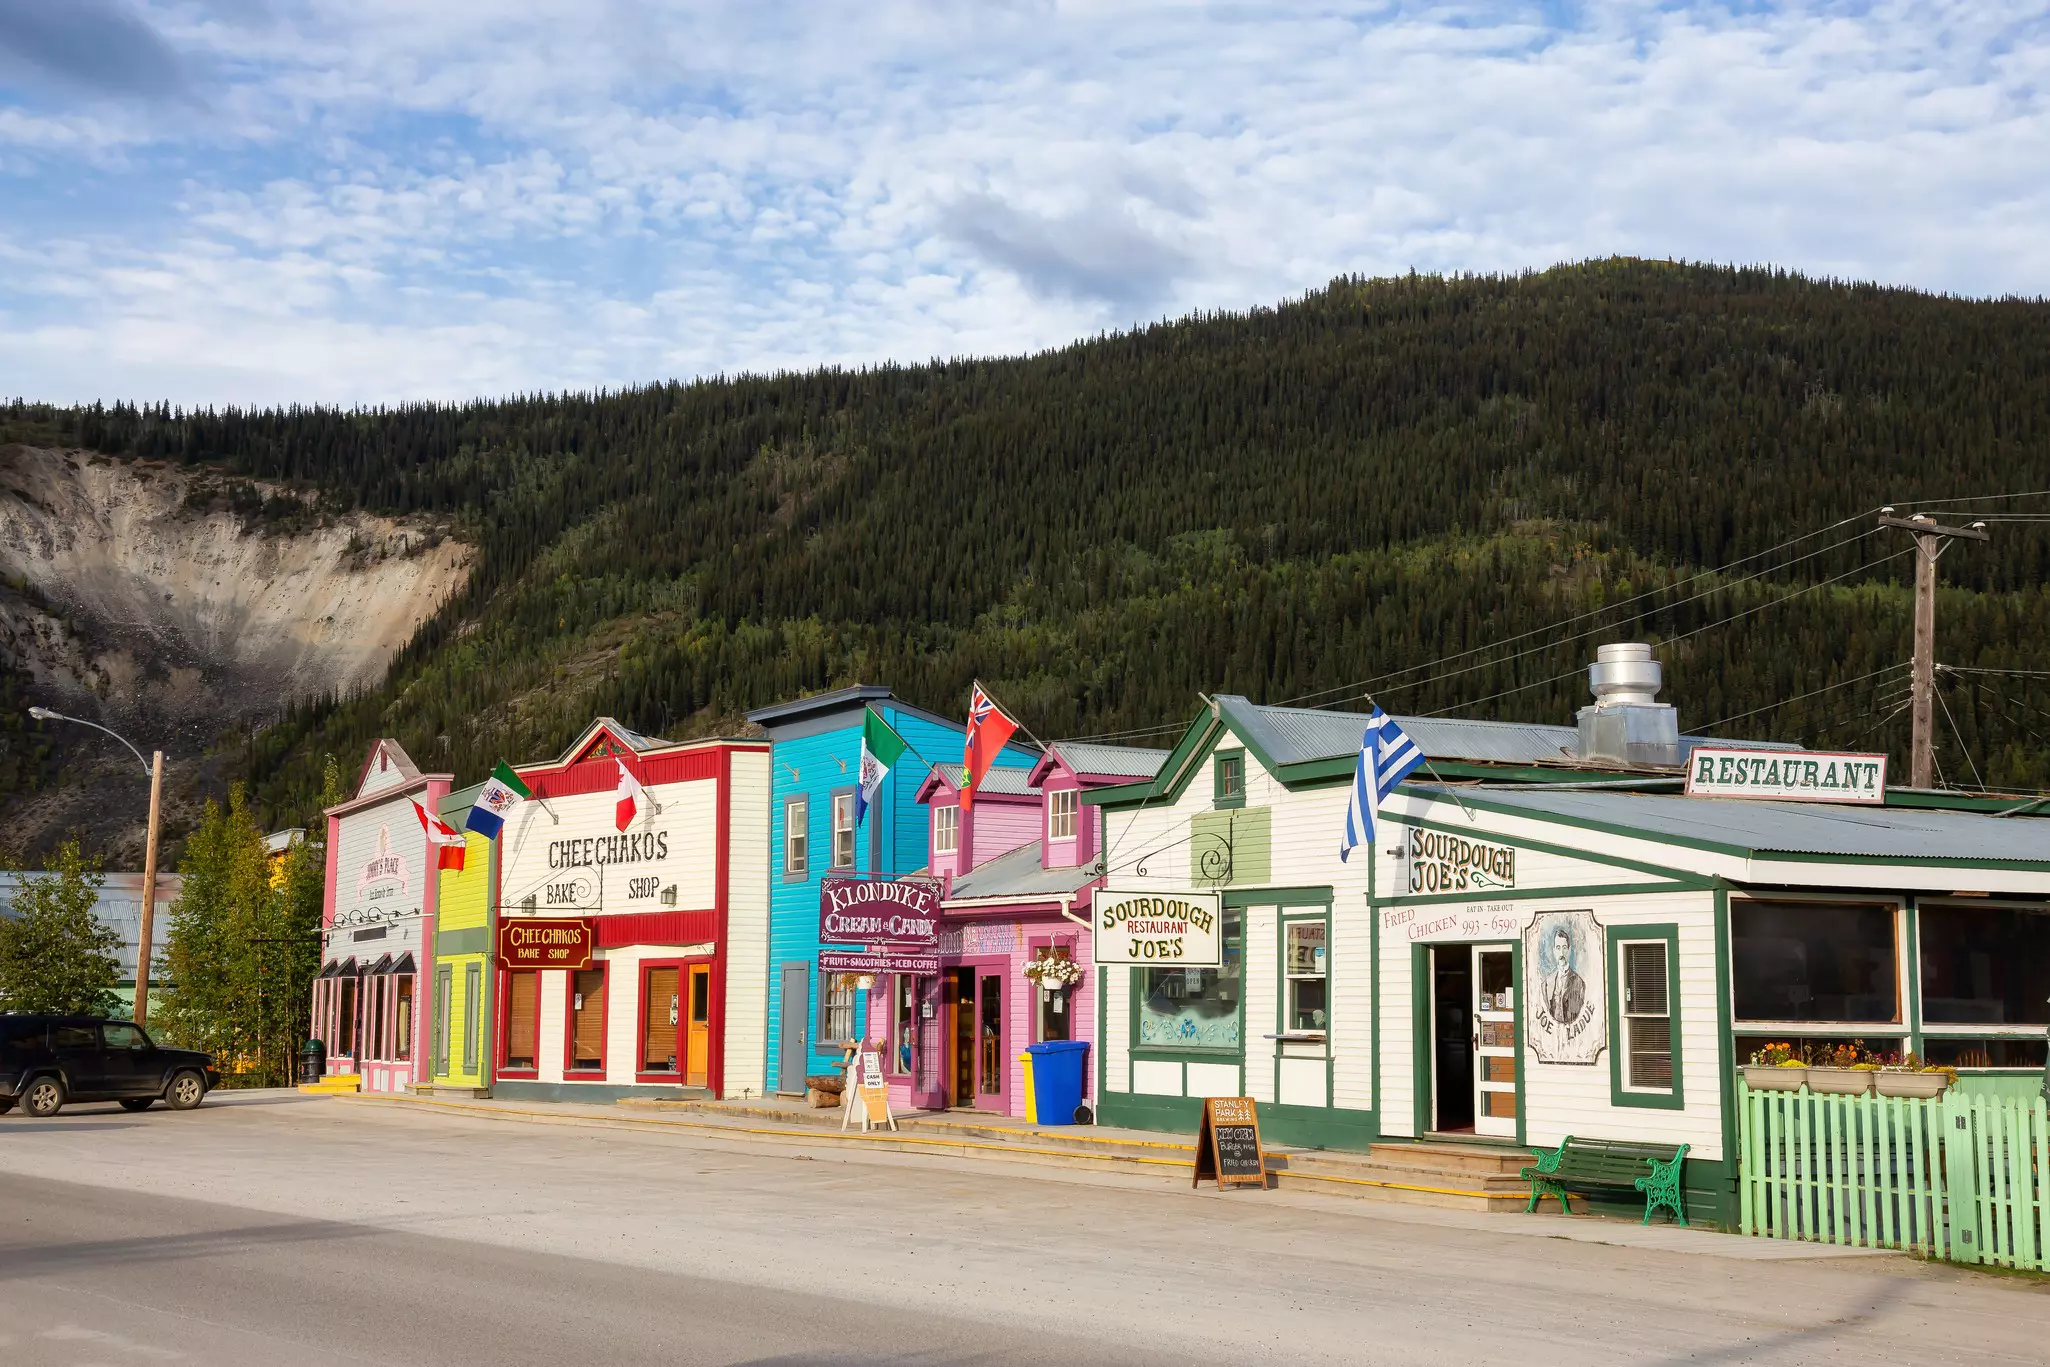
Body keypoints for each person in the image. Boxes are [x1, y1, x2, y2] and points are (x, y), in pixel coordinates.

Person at [1542, 924, 1586, 1025]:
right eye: (1558, 948)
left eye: (1564, 948)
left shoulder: (1579, 983)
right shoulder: (1546, 983)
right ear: (1554, 951)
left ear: (1569, 950)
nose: (1561, 953)